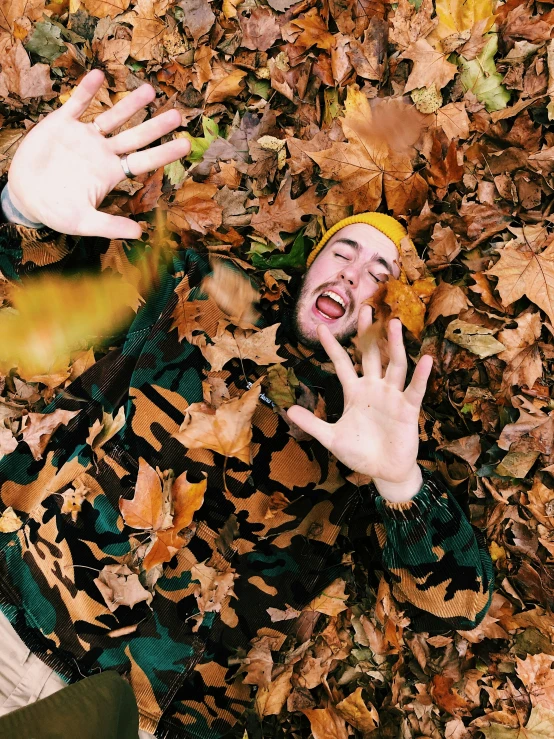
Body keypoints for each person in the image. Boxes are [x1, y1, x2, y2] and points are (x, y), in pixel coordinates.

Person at [0, 69, 493, 739]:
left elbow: (458, 609)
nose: (352, 273)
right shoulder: (202, 288)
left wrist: (399, 481)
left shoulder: (378, 441)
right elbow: (42, 306)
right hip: (15, 605)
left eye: (380, 274)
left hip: (145, 717)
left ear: (392, 313)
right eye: (343, 252)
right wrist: (25, 214)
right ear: (311, 265)